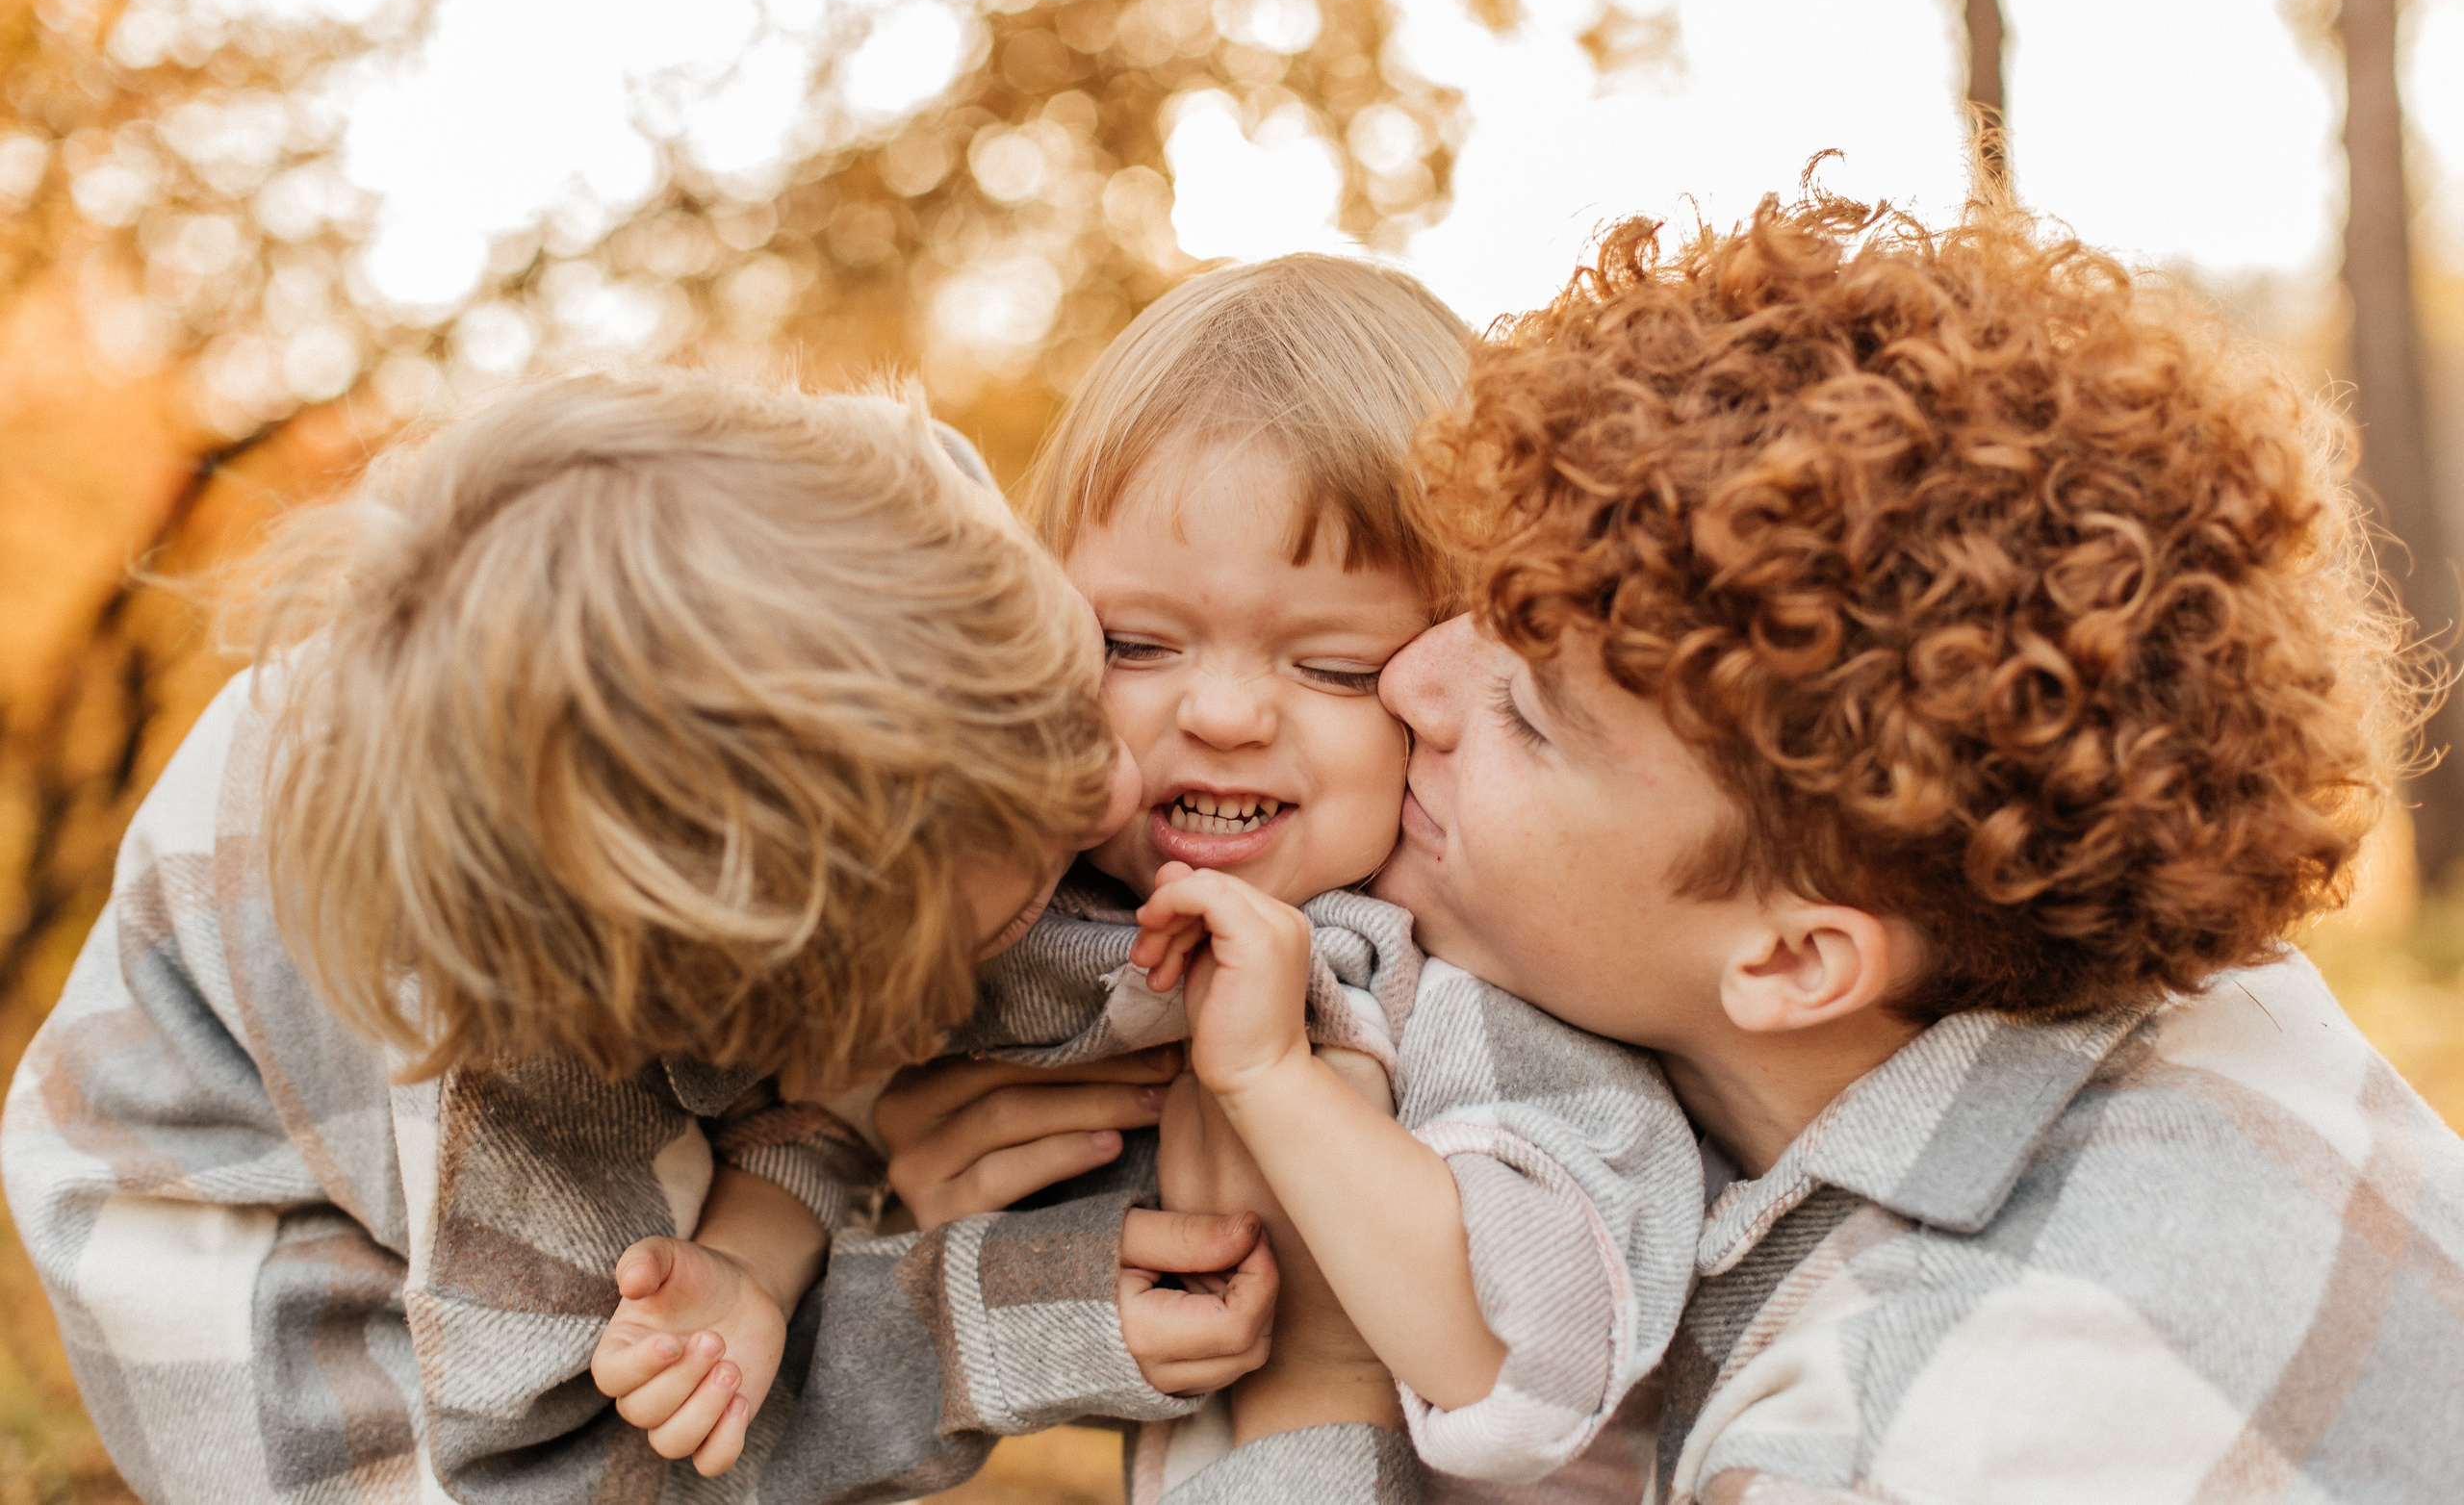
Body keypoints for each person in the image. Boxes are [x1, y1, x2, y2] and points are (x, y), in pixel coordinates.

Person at [1150, 194, 2464, 1502]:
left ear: (1790, 960)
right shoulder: (2232, 1011)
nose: (1412, 681)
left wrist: (1307, 1387)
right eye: (1488, 609)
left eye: (1528, 715)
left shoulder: (1881, 1438)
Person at [0, 372, 1274, 1503]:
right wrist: (975, 1317)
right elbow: (563, 1477)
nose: (1110, 785)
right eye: (1017, 879)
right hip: (327, 1368)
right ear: (742, 1017)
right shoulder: (518, 1088)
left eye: (1070, 687)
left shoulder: (904, 517)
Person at [603, 255, 1702, 1499]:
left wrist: (1277, 1083)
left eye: (1336, 666)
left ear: (1455, 669)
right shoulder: (1055, 925)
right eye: (1135, 644)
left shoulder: (1480, 968)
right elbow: (830, 1110)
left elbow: (1532, 1351)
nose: (1224, 713)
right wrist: (751, 1271)